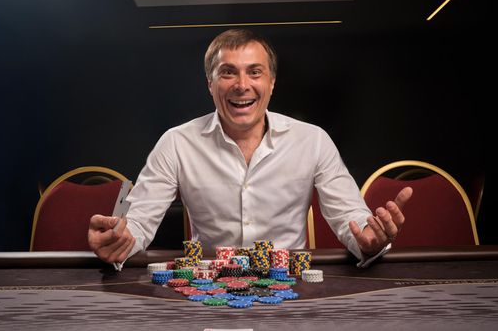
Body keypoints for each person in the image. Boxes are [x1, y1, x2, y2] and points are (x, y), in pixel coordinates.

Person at [88, 28, 412, 268]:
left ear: (271, 83)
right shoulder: (176, 143)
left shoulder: (313, 140)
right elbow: (139, 222)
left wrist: (369, 242)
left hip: (289, 285)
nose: (242, 85)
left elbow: (351, 219)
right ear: (210, 84)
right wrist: (120, 241)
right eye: (228, 73)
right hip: (209, 288)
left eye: (254, 72)